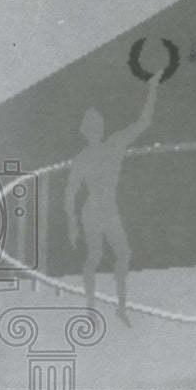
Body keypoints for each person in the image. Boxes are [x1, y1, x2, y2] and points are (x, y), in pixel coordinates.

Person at [66, 68, 162, 325]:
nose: (96, 129)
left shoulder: (114, 144)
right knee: (95, 257)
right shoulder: (85, 157)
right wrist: (72, 223)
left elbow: (144, 122)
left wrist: (153, 89)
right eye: (91, 126)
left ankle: (119, 308)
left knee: (122, 254)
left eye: (98, 124)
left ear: (101, 127)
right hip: (93, 212)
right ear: (86, 131)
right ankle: (90, 309)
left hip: (107, 211)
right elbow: (70, 192)